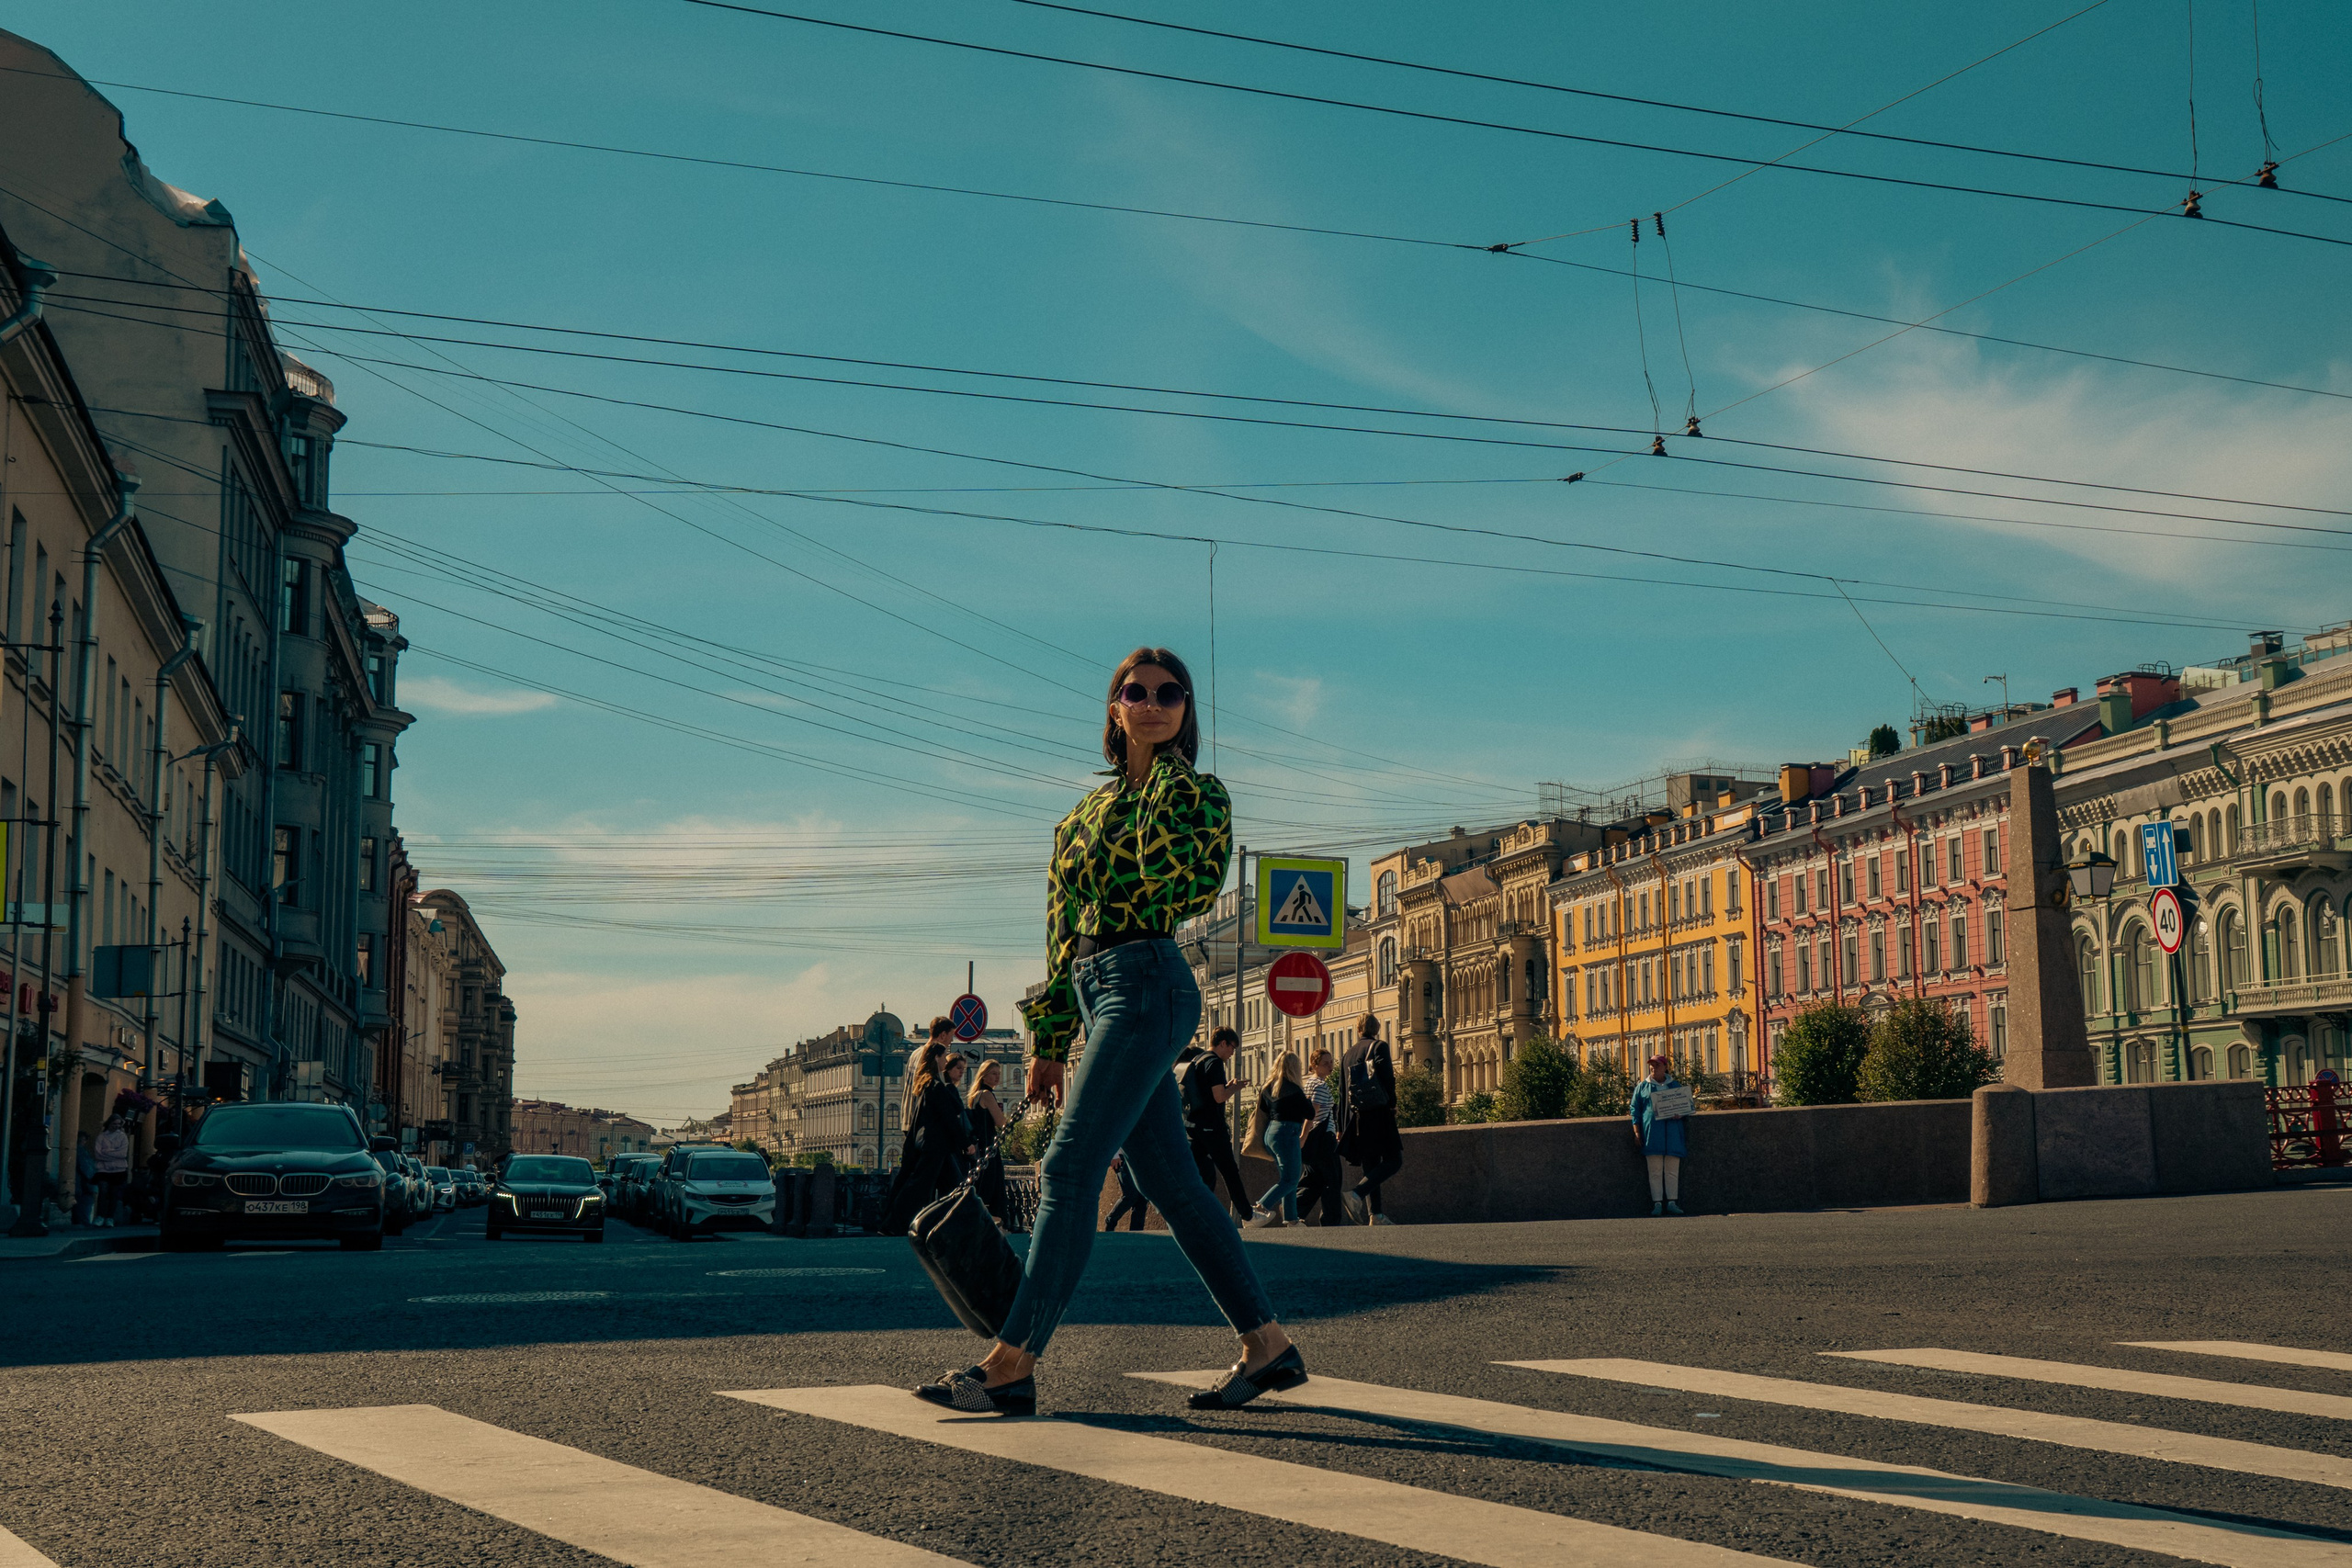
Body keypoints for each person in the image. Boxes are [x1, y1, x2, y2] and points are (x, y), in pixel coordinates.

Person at [913, 646, 1302, 1416]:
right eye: (1136, 691)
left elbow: (1181, 881)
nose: (1152, 701)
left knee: (1066, 1169)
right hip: (1097, 993)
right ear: (1113, 705)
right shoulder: (1077, 820)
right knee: (1171, 1184)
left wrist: (1160, 766)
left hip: (1151, 982)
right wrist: (1052, 1041)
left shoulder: (1196, 795)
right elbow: (1060, 932)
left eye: (1170, 694)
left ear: (1187, 711)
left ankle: (1012, 1360)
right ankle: (1268, 1344)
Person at [881, 1043, 972, 1234]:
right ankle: (893, 1225)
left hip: (937, 1146)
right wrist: (966, 1143)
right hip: (935, 1146)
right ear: (936, 1058)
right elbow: (948, 1118)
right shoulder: (935, 1086)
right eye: (943, 1056)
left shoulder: (928, 1084)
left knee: (951, 1186)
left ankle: (952, 1225)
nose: (945, 1059)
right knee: (920, 1189)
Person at [1185, 1028, 1255, 1222]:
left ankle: (1197, 1213)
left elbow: (1205, 1092)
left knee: (1197, 1172)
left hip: (1193, 1125)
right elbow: (1219, 1097)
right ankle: (1248, 1214)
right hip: (1212, 1127)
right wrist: (1235, 1087)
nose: (1232, 1053)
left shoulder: (1199, 1059)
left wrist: (1228, 1086)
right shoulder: (1215, 1063)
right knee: (1229, 1170)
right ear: (1223, 1043)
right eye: (1232, 1048)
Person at [1340, 1017, 1402, 1225]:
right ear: (1376, 1028)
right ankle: (1356, 1194)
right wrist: (1392, 1103)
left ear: (1358, 1029)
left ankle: (1375, 1214)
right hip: (1379, 1114)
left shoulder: (1347, 1054)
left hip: (1357, 1118)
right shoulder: (1379, 1047)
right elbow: (1387, 1078)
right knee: (1394, 1160)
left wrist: (1342, 1125)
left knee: (1371, 1166)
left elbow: (1342, 1093)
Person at [1250, 1055, 1311, 1227]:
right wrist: (1309, 1101)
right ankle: (1259, 1209)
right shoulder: (1294, 1089)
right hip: (1288, 1133)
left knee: (1288, 1177)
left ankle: (1292, 1219)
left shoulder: (1268, 1087)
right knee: (1291, 1179)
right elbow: (1310, 1114)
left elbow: (1263, 1109)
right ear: (1294, 1068)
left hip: (1271, 1134)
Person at [1631, 1054, 1690, 1216]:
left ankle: (1672, 1202)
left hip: (1673, 1134)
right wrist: (1637, 1132)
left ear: (1665, 1067)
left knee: (1672, 1170)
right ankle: (1657, 1203)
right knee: (1655, 1171)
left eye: (1657, 1065)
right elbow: (1635, 1109)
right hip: (1652, 1135)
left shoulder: (1675, 1086)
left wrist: (1681, 1113)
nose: (1653, 1068)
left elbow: (1687, 1106)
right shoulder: (1642, 1087)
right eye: (1651, 1065)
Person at [1294, 1046, 1346, 1226]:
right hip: (1324, 1139)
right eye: (1325, 1063)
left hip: (1314, 1140)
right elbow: (1312, 1114)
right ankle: (1330, 1220)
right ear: (1315, 1065)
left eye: (1331, 1062)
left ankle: (1294, 1209)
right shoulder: (1321, 1085)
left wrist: (1304, 1138)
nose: (1330, 1066)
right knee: (1333, 1179)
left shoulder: (1307, 1083)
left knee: (1312, 1179)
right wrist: (1303, 1136)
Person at [965, 1057, 1011, 1225]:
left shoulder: (974, 1096)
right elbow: (1000, 1122)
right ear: (983, 1076)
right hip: (989, 1148)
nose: (997, 1077)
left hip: (978, 1148)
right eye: (993, 1074)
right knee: (993, 1187)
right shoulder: (987, 1094)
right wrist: (1010, 1120)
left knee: (980, 1185)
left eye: (998, 1074)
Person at [92, 1116, 131, 1228]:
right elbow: (98, 1154)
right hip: (103, 1169)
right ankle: (100, 1216)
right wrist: (114, 1154)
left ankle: (110, 1218)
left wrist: (106, 1152)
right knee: (103, 1191)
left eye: (119, 1124)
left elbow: (123, 1154)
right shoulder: (101, 1137)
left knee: (114, 1193)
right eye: (114, 1124)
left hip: (118, 1170)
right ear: (109, 1124)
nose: (117, 1126)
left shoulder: (123, 1137)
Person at [1102, 1153, 1149, 1232]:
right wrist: (1114, 1155)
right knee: (1130, 1195)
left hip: (1141, 1156)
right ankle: (1111, 1219)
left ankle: (1136, 1233)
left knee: (1142, 1198)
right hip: (1122, 1156)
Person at [70, 1132, 97, 1228]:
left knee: (78, 1207)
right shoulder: (82, 1152)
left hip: (78, 1184)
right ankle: (83, 1224)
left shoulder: (73, 1150)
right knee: (85, 1205)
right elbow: (86, 1168)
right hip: (84, 1184)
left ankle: (79, 1223)